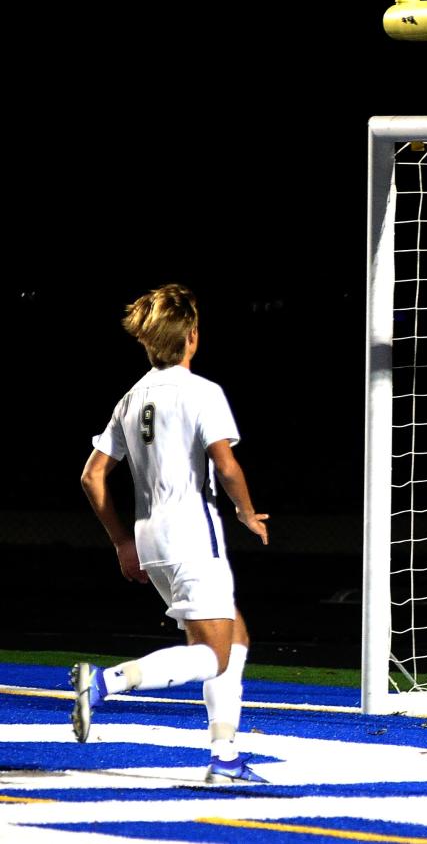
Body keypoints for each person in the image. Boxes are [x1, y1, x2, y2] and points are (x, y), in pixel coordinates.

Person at [73, 283, 270, 784]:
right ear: (192, 337)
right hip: (192, 534)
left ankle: (223, 757)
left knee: (234, 635)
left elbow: (92, 476)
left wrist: (121, 541)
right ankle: (106, 681)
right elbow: (225, 465)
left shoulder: (131, 398)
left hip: (151, 540)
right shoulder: (202, 392)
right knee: (213, 655)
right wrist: (247, 511)